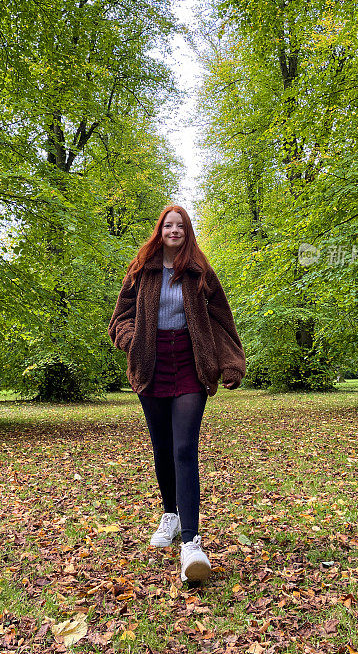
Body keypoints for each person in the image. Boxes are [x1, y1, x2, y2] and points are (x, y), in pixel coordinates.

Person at [108, 205, 246, 584]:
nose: (174, 231)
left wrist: (232, 361)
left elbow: (222, 317)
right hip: (150, 364)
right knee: (162, 446)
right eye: (168, 225)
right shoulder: (141, 269)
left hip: (189, 363)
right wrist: (133, 341)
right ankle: (170, 514)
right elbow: (119, 317)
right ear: (160, 231)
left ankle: (191, 542)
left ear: (188, 232)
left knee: (185, 448)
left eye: (180, 226)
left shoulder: (200, 271)